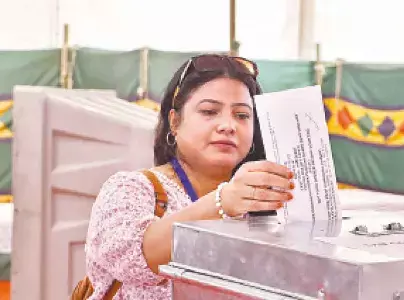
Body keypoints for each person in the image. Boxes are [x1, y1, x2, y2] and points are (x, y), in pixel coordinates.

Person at [85, 54, 295, 299]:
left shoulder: (266, 205)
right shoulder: (132, 189)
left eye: (242, 115)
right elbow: (135, 257)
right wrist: (222, 202)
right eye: (209, 111)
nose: (228, 125)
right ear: (174, 122)